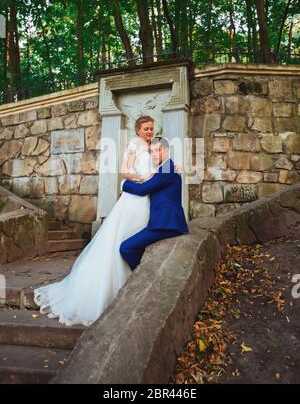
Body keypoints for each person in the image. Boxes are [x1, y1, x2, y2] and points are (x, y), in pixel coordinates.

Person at [34, 116, 155, 326]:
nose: (149, 132)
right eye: (146, 128)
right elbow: (124, 172)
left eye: (152, 128)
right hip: (135, 197)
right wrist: (143, 179)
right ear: (137, 130)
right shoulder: (134, 146)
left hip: (148, 198)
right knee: (124, 236)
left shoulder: (155, 146)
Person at [119, 137, 189, 271]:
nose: (155, 154)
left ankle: (142, 273)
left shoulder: (167, 169)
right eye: (152, 151)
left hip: (166, 224)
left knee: (126, 248)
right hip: (163, 222)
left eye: (158, 150)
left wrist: (124, 184)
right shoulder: (165, 168)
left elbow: (143, 190)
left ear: (167, 151)